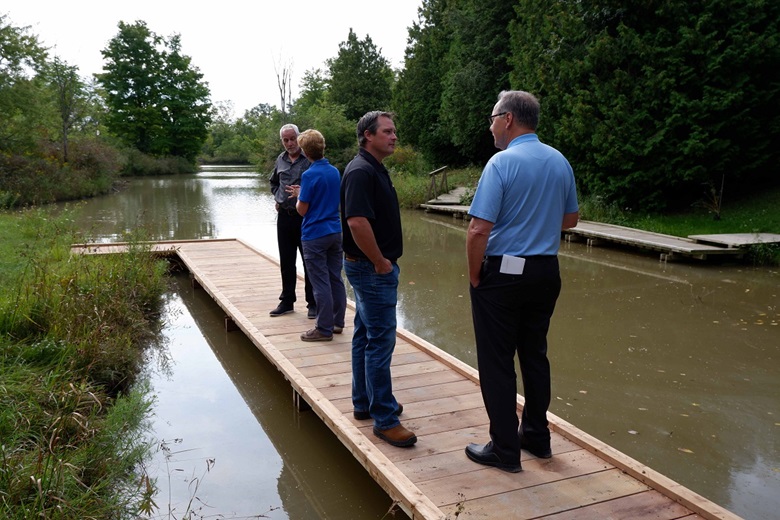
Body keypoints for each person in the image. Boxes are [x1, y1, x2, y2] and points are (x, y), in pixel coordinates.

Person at [465, 90, 579, 472]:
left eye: (493, 117)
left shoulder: (501, 163)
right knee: (534, 354)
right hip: (546, 272)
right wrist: (537, 222)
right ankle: (536, 436)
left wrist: (475, 274)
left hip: (505, 273)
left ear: (509, 118)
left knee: (496, 362)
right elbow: (570, 220)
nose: (490, 125)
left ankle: (504, 449)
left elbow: (478, 229)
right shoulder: (560, 160)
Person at [340, 111, 416, 448]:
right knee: (380, 342)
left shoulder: (372, 168)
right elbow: (357, 222)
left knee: (364, 334)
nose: (394, 136)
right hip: (371, 270)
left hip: (369, 268)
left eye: (394, 131)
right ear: (368, 135)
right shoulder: (360, 171)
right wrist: (380, 262)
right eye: (387, 131)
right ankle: (385, 419)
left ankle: (365, 403)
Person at [285, 129, 347, 342]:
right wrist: (304, 191)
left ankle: (323, 328)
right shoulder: (334, 171)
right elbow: (326, 195)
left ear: (304, 151)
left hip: (315, 235)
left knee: (320, 283)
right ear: (323, 147)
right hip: (335, 231)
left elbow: (303, 210)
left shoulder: (309, 174)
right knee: (335, 279)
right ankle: (338, 323)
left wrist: (299, 194)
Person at [269, 123, 316, 318]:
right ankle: (287, 301)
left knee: (309, 261)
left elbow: (318, 186)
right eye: (285, 140)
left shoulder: (310, 159)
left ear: (299, 137)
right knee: (286, 261)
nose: (290, 143)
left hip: (305, 217)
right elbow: (273, 182)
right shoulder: (280, 160)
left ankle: (312, 303)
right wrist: (278, 198)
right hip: (284, 218)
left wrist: (302, 194)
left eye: (292, 138)